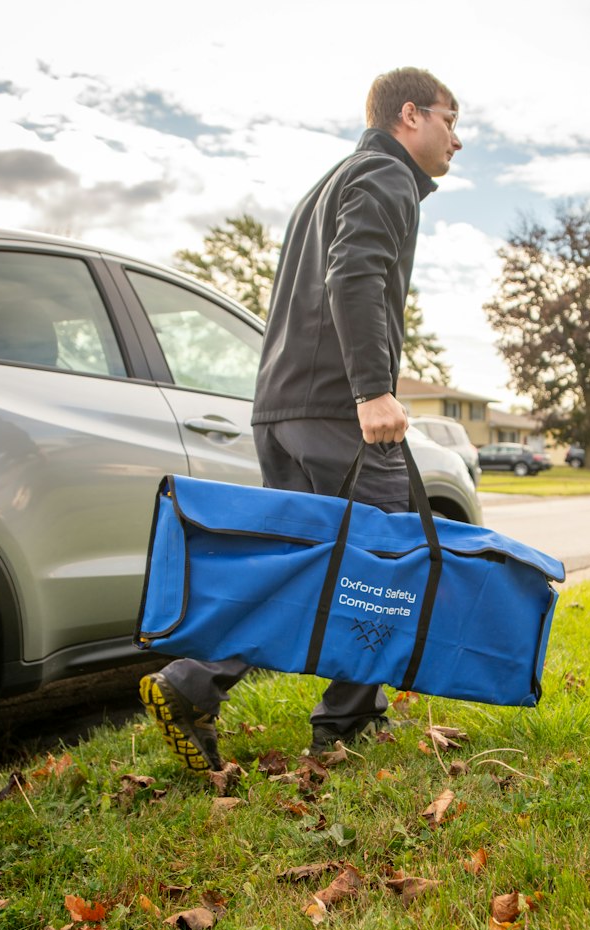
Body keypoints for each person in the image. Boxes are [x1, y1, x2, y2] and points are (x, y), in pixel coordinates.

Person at [140, 67, 462, 773]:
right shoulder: (387, 175)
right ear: (409, 115)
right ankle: (346, 723)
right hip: (337, 409)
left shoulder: (332, 181)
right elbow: (354, 277)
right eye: (449, 119)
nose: (456, 139)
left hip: (282, 407)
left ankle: (194, 685)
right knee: (387, 556)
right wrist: (374, 392)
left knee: (307, 560)